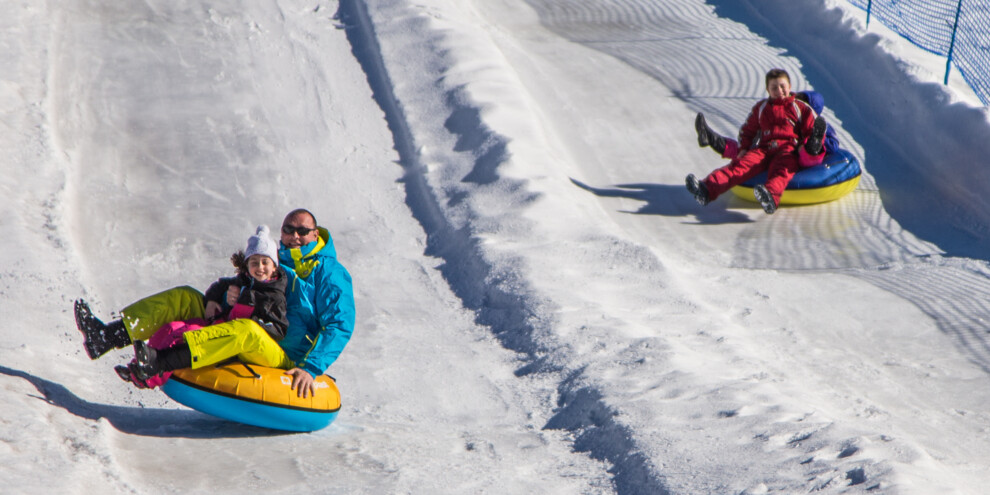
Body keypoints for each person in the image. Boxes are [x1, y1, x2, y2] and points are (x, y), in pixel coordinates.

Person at [74, 209, 356, 398]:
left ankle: (160, 362)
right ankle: (107, 336)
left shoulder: (328, 272)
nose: (295, 236)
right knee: (185, 296)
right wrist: (218, 300)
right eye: (289, 229)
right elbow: (242, 288)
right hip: (247, 330)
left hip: (283, 354)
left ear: (315, 235)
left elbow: (339, 324)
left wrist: (311, 368)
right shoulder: (271, 259)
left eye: (303, 231)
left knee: (247, 330)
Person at [115, 225, 292, 385]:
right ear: (247, 265)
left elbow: (278, 328)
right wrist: (214, 300)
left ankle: (154, 370)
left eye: (265, 262)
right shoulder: (244, 281)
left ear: (274, 266)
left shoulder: (273, 295)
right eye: (254, 262)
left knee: (193, 334)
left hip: (242, 341)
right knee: (173, 328)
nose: (259, 267)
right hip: (223, 327)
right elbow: (220, 285)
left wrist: (253, 318)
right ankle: (139, 367)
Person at [686, 68, 820, 214]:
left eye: (782, 86)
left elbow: (810, 130)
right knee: (740, 166)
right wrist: (744, 147)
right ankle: (706, 190)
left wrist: (805, 146)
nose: (779, 90)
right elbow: (748, 130)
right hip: (764, 148)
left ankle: (770, 196)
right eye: (774, 87)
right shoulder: (761, 108)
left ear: (790, 86)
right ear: (768, 90)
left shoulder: (799, 107)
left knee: (782, 169)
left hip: (788, 149)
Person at [695, 90, 837, 167]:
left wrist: (817, 140)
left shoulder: (821, 125)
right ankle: (712, 139)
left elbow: (834, 145)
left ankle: (813, 143)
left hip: (802, 159)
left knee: (806, 152)